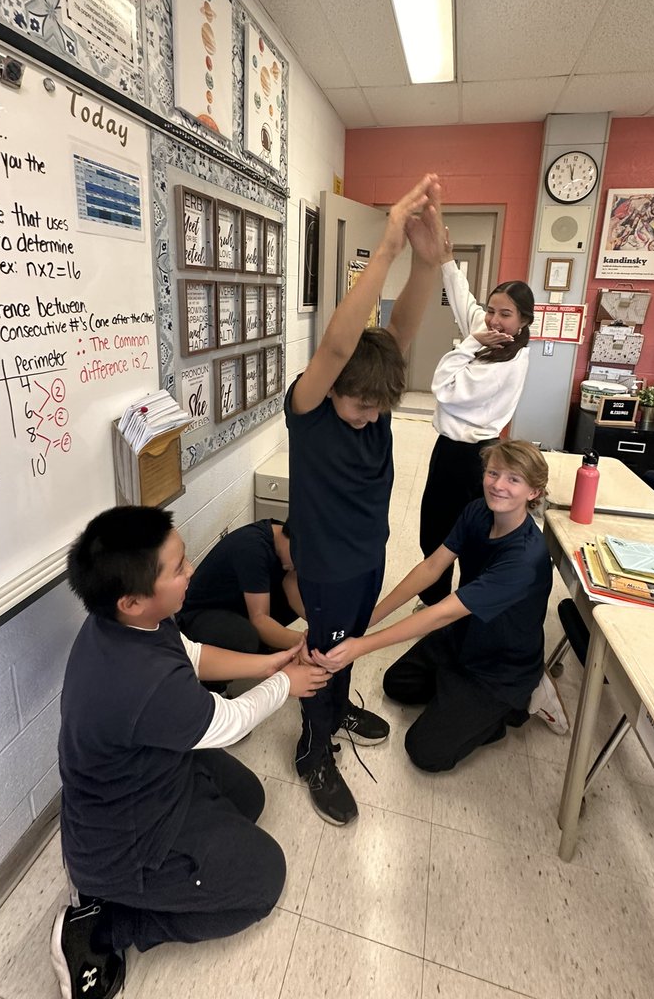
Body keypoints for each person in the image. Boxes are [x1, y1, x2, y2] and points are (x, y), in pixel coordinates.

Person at [51, 505, 329, 999]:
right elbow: (228, 722)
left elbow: (191, 653)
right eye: (178, 568)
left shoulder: (124, 623)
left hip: (148, 778)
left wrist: (269, 665)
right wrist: (288, 683)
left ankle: (151, 872)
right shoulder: (142, 681)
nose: (192, 573)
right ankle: (107, 923)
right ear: (133, 599)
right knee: (264, 880)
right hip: (122, 840)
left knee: (248, 799)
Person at [286, 173, 445, 825]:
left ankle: (340, 707)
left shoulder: (372, 402)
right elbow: (338, 344)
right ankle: (313, 746)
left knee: (350, 642)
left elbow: (402, 327)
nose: (366, 417)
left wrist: (429, 263)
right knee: (322, 653)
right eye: (358, 406)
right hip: (323, 563)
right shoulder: (313, 407)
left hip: (366, 559)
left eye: (377, 408)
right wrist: (386, 247)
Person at [313, 441, 552, 773]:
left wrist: (360, 646)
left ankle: (510, 708)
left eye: (513, 479)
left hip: (501, 666)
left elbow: (442, 611)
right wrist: (367, 620)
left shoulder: (524, 559)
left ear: (533, 492)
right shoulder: (477, 511)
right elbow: (431, 568)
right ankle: (456, 698)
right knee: (397, 684)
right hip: (464, 636)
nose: (498, 484)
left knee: (425, 751)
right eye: (493, 472)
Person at [418, 240, 534, 608]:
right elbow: (464, 301)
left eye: (506, 315)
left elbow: (443, 387)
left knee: (470, 535)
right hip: (449, 451)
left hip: (475, 458)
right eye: (492, 311)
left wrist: (468, 344)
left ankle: (464, 606)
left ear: (524, 322)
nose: (494, 320)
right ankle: (435, 599)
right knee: (433, 531)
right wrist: (447, 259)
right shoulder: (491, 337)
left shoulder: (507, 364)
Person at [176, 519, 305, 654]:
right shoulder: (252, 548)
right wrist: (302, 641)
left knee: (302, 595)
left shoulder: (284, 538)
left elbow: (293, 590)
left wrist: (323, 629)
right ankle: (260, 650)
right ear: (297, 542)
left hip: (238, 606)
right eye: (304, 559)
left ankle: (268, 642)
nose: (303, 566)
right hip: (199, 615)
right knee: (246, 639)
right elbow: (259, 618)